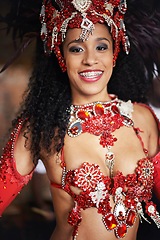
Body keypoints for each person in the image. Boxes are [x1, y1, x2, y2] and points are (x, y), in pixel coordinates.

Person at [0, 0, 160, 239]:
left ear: (115, 52)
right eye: (76, 48)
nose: (90, 60)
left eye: (101, 47)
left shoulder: (143, 119)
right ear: (61, 56)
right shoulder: (42, 126)